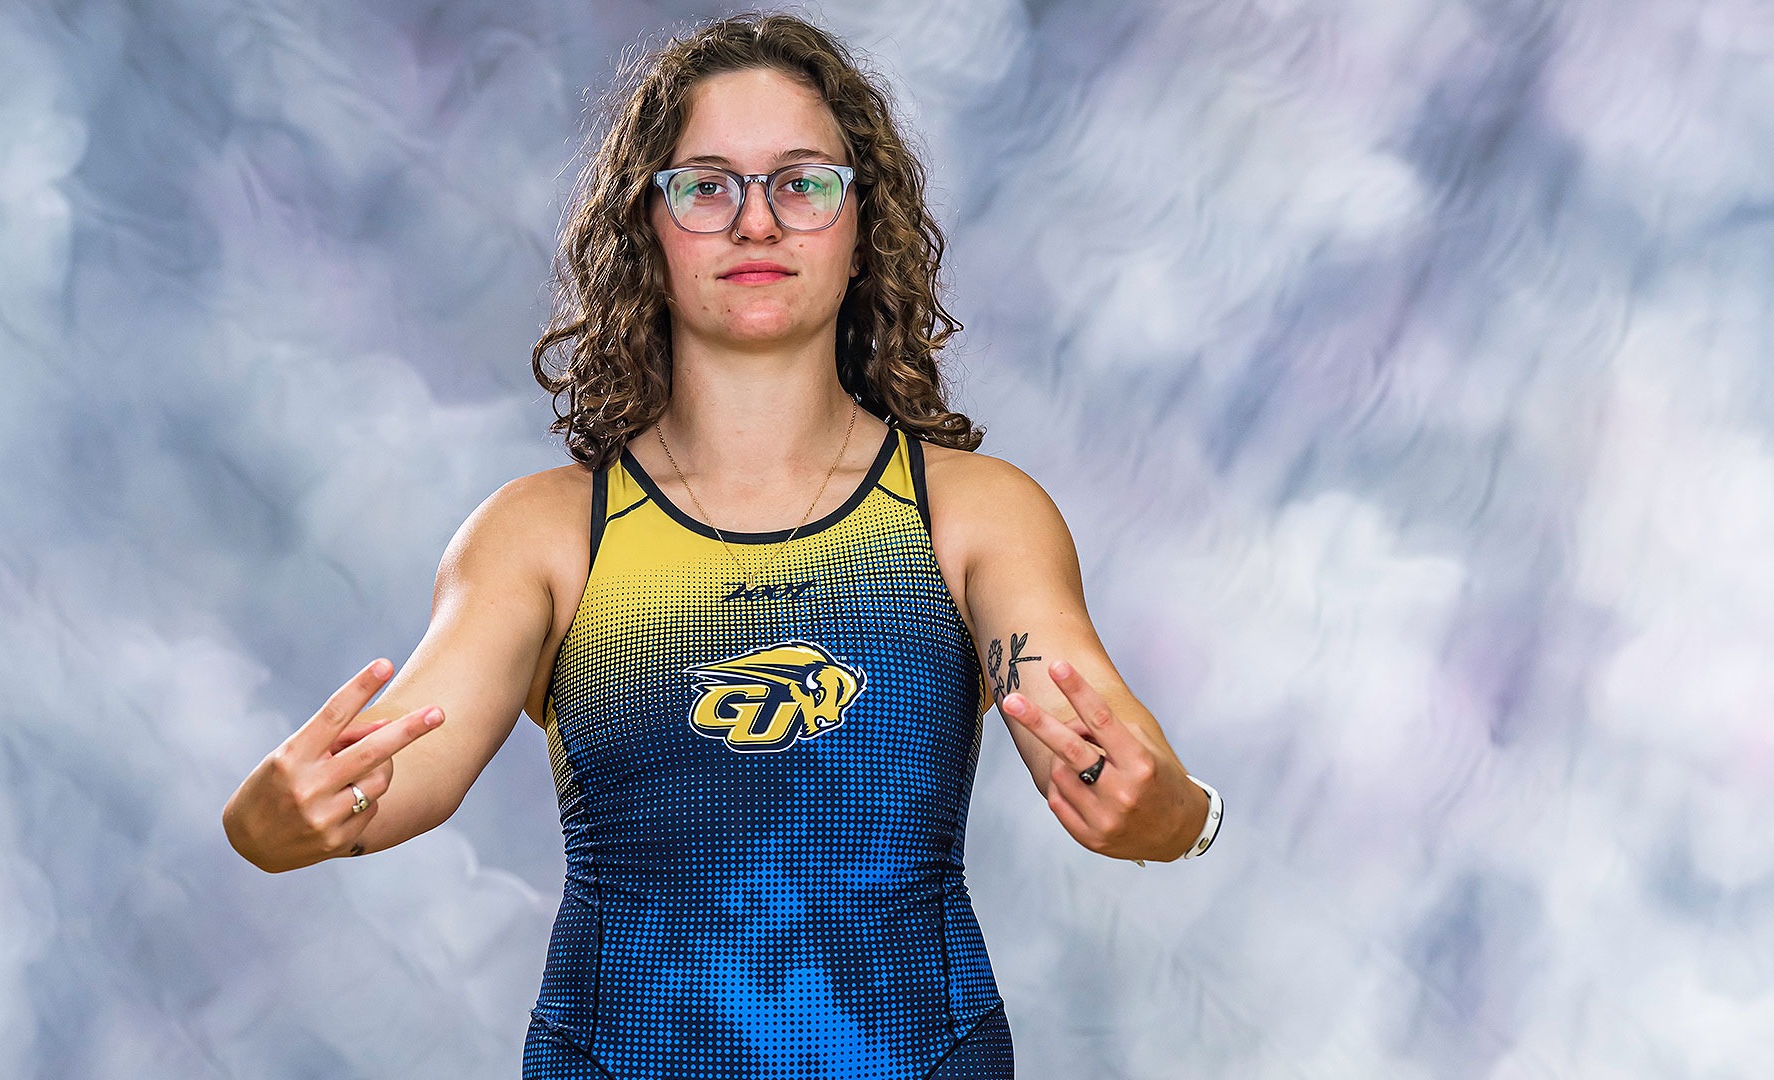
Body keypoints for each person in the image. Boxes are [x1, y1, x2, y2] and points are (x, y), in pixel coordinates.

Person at [222, 12, 1221, 1078]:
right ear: (645, 227)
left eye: (802, 182)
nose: (757, 222)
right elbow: (381, 783)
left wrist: (1177, 817)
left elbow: (1124, 776)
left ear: (860, 221)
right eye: (706, 186)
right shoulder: (546, 534)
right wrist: (272, 820)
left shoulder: (972, 517)